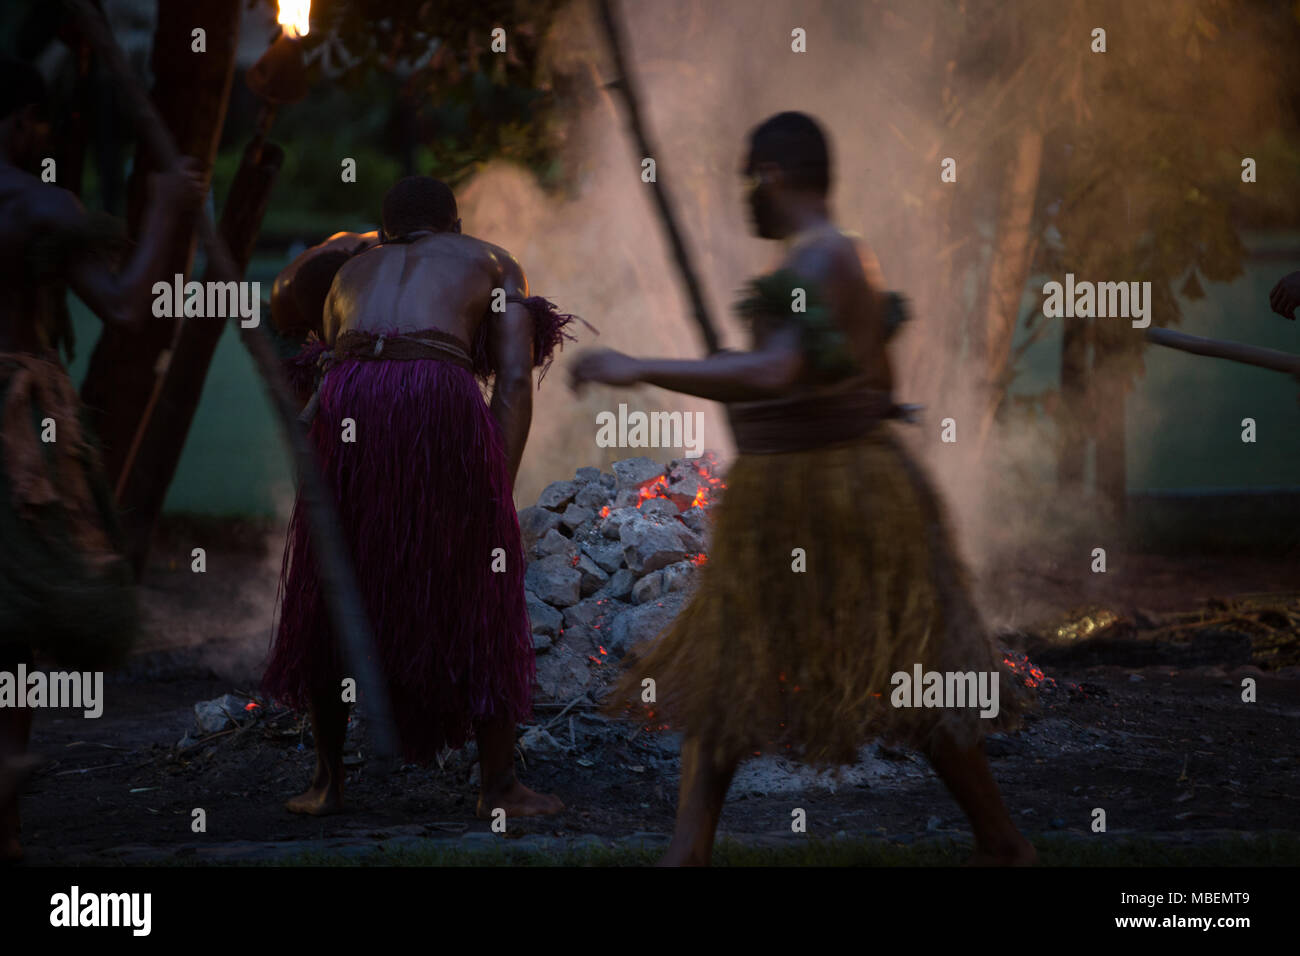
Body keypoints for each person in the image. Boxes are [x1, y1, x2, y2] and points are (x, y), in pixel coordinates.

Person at [571, 112, 1036, 866]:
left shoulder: (820, 262)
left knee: (893, 668)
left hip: (830, 496)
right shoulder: (842, 257)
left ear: (774, 176)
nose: (743, 193)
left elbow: (775, 372)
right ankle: (688, 852)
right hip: (809, 489)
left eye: (748, 176)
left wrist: (638, 366)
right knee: (734, 665)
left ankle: (1001, 841)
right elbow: (878, 386)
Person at [264, 176, 575, 818]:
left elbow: (304, 353)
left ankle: (328, 783)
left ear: (388, 232)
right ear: (454, 226)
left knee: (332, 580)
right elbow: (514, 379)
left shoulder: (352, 270)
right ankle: (500, 786)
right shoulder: (490, 261)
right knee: (480, 583)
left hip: (349, 395)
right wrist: (496, 492)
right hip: (437, 393)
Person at [0, 59, 203, 861]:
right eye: (41, 125)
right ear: (23, 122)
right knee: (15, 619)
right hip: (16, 415)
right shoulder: (36, 205)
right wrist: (166, 211)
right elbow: (125, 305)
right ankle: (6, 811)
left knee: (12, 600)